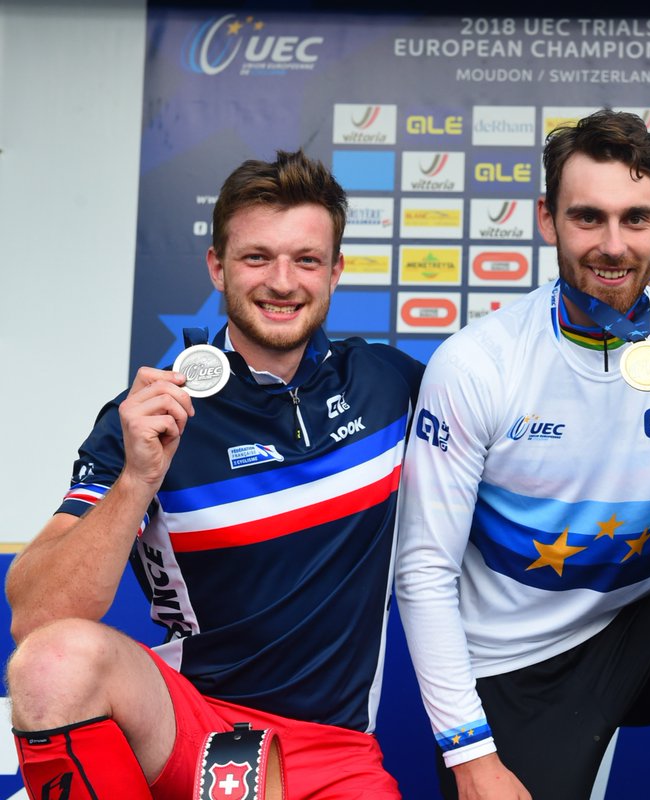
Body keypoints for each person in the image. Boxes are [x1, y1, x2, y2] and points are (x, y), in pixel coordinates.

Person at [394, 109, 650, 800]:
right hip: (511, 665)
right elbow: (423, 570)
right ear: (547, 220)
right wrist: (470, 756)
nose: (613, 246)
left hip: (635, 638)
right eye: (588, 218)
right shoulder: (478, 363)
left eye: (635, 219)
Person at [5, 150, 425, 799]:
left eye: (306, 260)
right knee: (53, 662)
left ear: (335, 271)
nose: (282, 282)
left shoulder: (388, 385)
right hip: (192, 727)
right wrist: (137, 480)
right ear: (217, 266)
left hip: (334, 747)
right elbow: (37, 617)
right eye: (257, 257)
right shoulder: (150, 414)